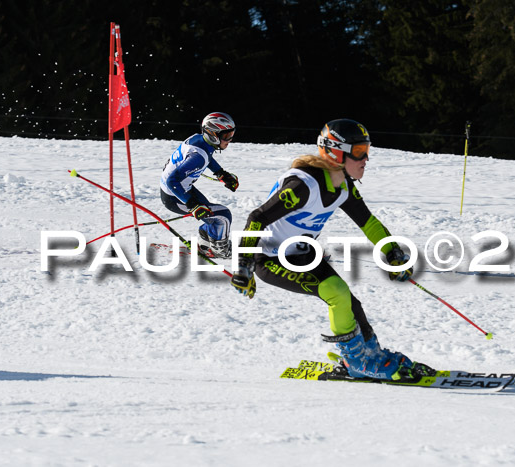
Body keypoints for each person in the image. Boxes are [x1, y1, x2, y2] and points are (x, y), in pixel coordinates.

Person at [230, 118, 433, 381]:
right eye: (359, 152)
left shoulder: (342, 186)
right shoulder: (304, 186)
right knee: (336, 293)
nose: (365, 160)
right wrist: (244, 265)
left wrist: (393, 253)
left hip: (302, 255)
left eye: (367, 152)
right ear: (337, 153)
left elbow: (368, 222)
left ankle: (371, 353)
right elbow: (257, 217)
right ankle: (356, 361)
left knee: (348, 301)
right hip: (269, 259)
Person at [160, 112, 239, 258]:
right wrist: (192, 204)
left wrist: (221, 173)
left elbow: (206, 157)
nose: (230, 140)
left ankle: (206, 241)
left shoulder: (199, 140)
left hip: (182, 189)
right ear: (213, 134)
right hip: (175, 196)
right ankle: (220, 250)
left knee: (212, 214)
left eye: (232, 135)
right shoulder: (198, 157)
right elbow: (172, 181)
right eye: (226, 136)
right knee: (223, 215)